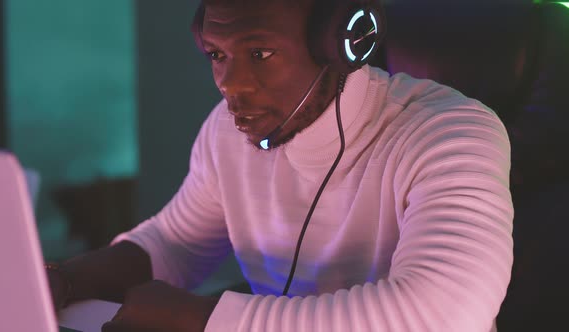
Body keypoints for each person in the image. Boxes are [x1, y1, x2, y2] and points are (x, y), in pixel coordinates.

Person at [46, 0, 514, 331]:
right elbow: (174, 244)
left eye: (260, 54)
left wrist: (200, 320)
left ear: (343, 42)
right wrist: (64, 279)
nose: (230, 85)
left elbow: (444, 317)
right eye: (217, 54)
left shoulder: (450, 131)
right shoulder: (225, 132)